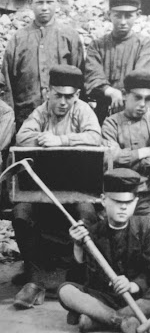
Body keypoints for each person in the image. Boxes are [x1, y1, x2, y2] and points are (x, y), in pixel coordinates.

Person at [13, 65, 101, 309]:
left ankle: (79, 275)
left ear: (77, 95)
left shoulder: (82, 110)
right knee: (21, 214)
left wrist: (61, 140)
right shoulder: (41, 112)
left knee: (87, 214)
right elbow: (22, 137)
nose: (63, 102)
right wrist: (43, 139)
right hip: (42, 190)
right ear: (47, 92)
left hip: (77, 190)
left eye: (69, 96)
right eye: (58, 95)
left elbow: (95, 136)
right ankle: (34, 279)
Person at [57, 169, 150, 333]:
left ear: (136, 202)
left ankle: (97, 320)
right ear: (104, 200)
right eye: (117, 202)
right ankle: (120, 321)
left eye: (128, 202)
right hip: (103, 297)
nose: (123, 207)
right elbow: (79, 278)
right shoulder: (92, 233)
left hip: (136, 297)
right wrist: (78, 246)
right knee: (65, 290)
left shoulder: (146, 228)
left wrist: (132, 285)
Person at [1, 0, 85, 127]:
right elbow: (7, 85)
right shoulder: (18, 40)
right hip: (25, 120)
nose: (44, 7)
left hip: (63, 122)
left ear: (58, 2)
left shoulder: (70, 37)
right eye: (39, 2)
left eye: (49, 2)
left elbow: (80, 80)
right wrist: (10, 124)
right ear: (30, 3)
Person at [102, 70, 150, 223]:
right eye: (137, 97)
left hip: (146, 193)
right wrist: (145, 152)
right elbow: (111, 158)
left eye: (148, 99)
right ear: (125, 95)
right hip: (118, 192)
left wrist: (128, 160)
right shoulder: (111, 123)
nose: (142, 104)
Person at [85, 0, 150, 125]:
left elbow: (142, 78)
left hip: (134, 112)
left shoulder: (144, 45)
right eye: (118, 15)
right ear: (109, 15)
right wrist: (110, 91)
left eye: (128, 16)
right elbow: (92, 77)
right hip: (102, 112)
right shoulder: (97, 46)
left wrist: (123, 96)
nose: (123, 22)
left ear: (138, 15)